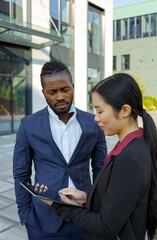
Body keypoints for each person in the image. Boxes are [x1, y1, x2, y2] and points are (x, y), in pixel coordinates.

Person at [38, 73, 157, 240]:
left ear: (124, 110)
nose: (96, 118)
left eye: (100, 111)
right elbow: (121, 200)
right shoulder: (132, 145)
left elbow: (106, 226)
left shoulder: (129, 158)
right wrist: (86, 198)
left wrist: (59, 206)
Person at [13, 60, 107, 240]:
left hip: (84, 217)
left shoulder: (93, 122)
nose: (60, 97)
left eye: (65, 89)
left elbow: (101, 169)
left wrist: (98, 207)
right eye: (52, 92)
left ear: (73, 86)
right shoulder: (29, 125)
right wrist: (25, 216)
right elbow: (21, 174)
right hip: (43, 220)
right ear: (43, 93)